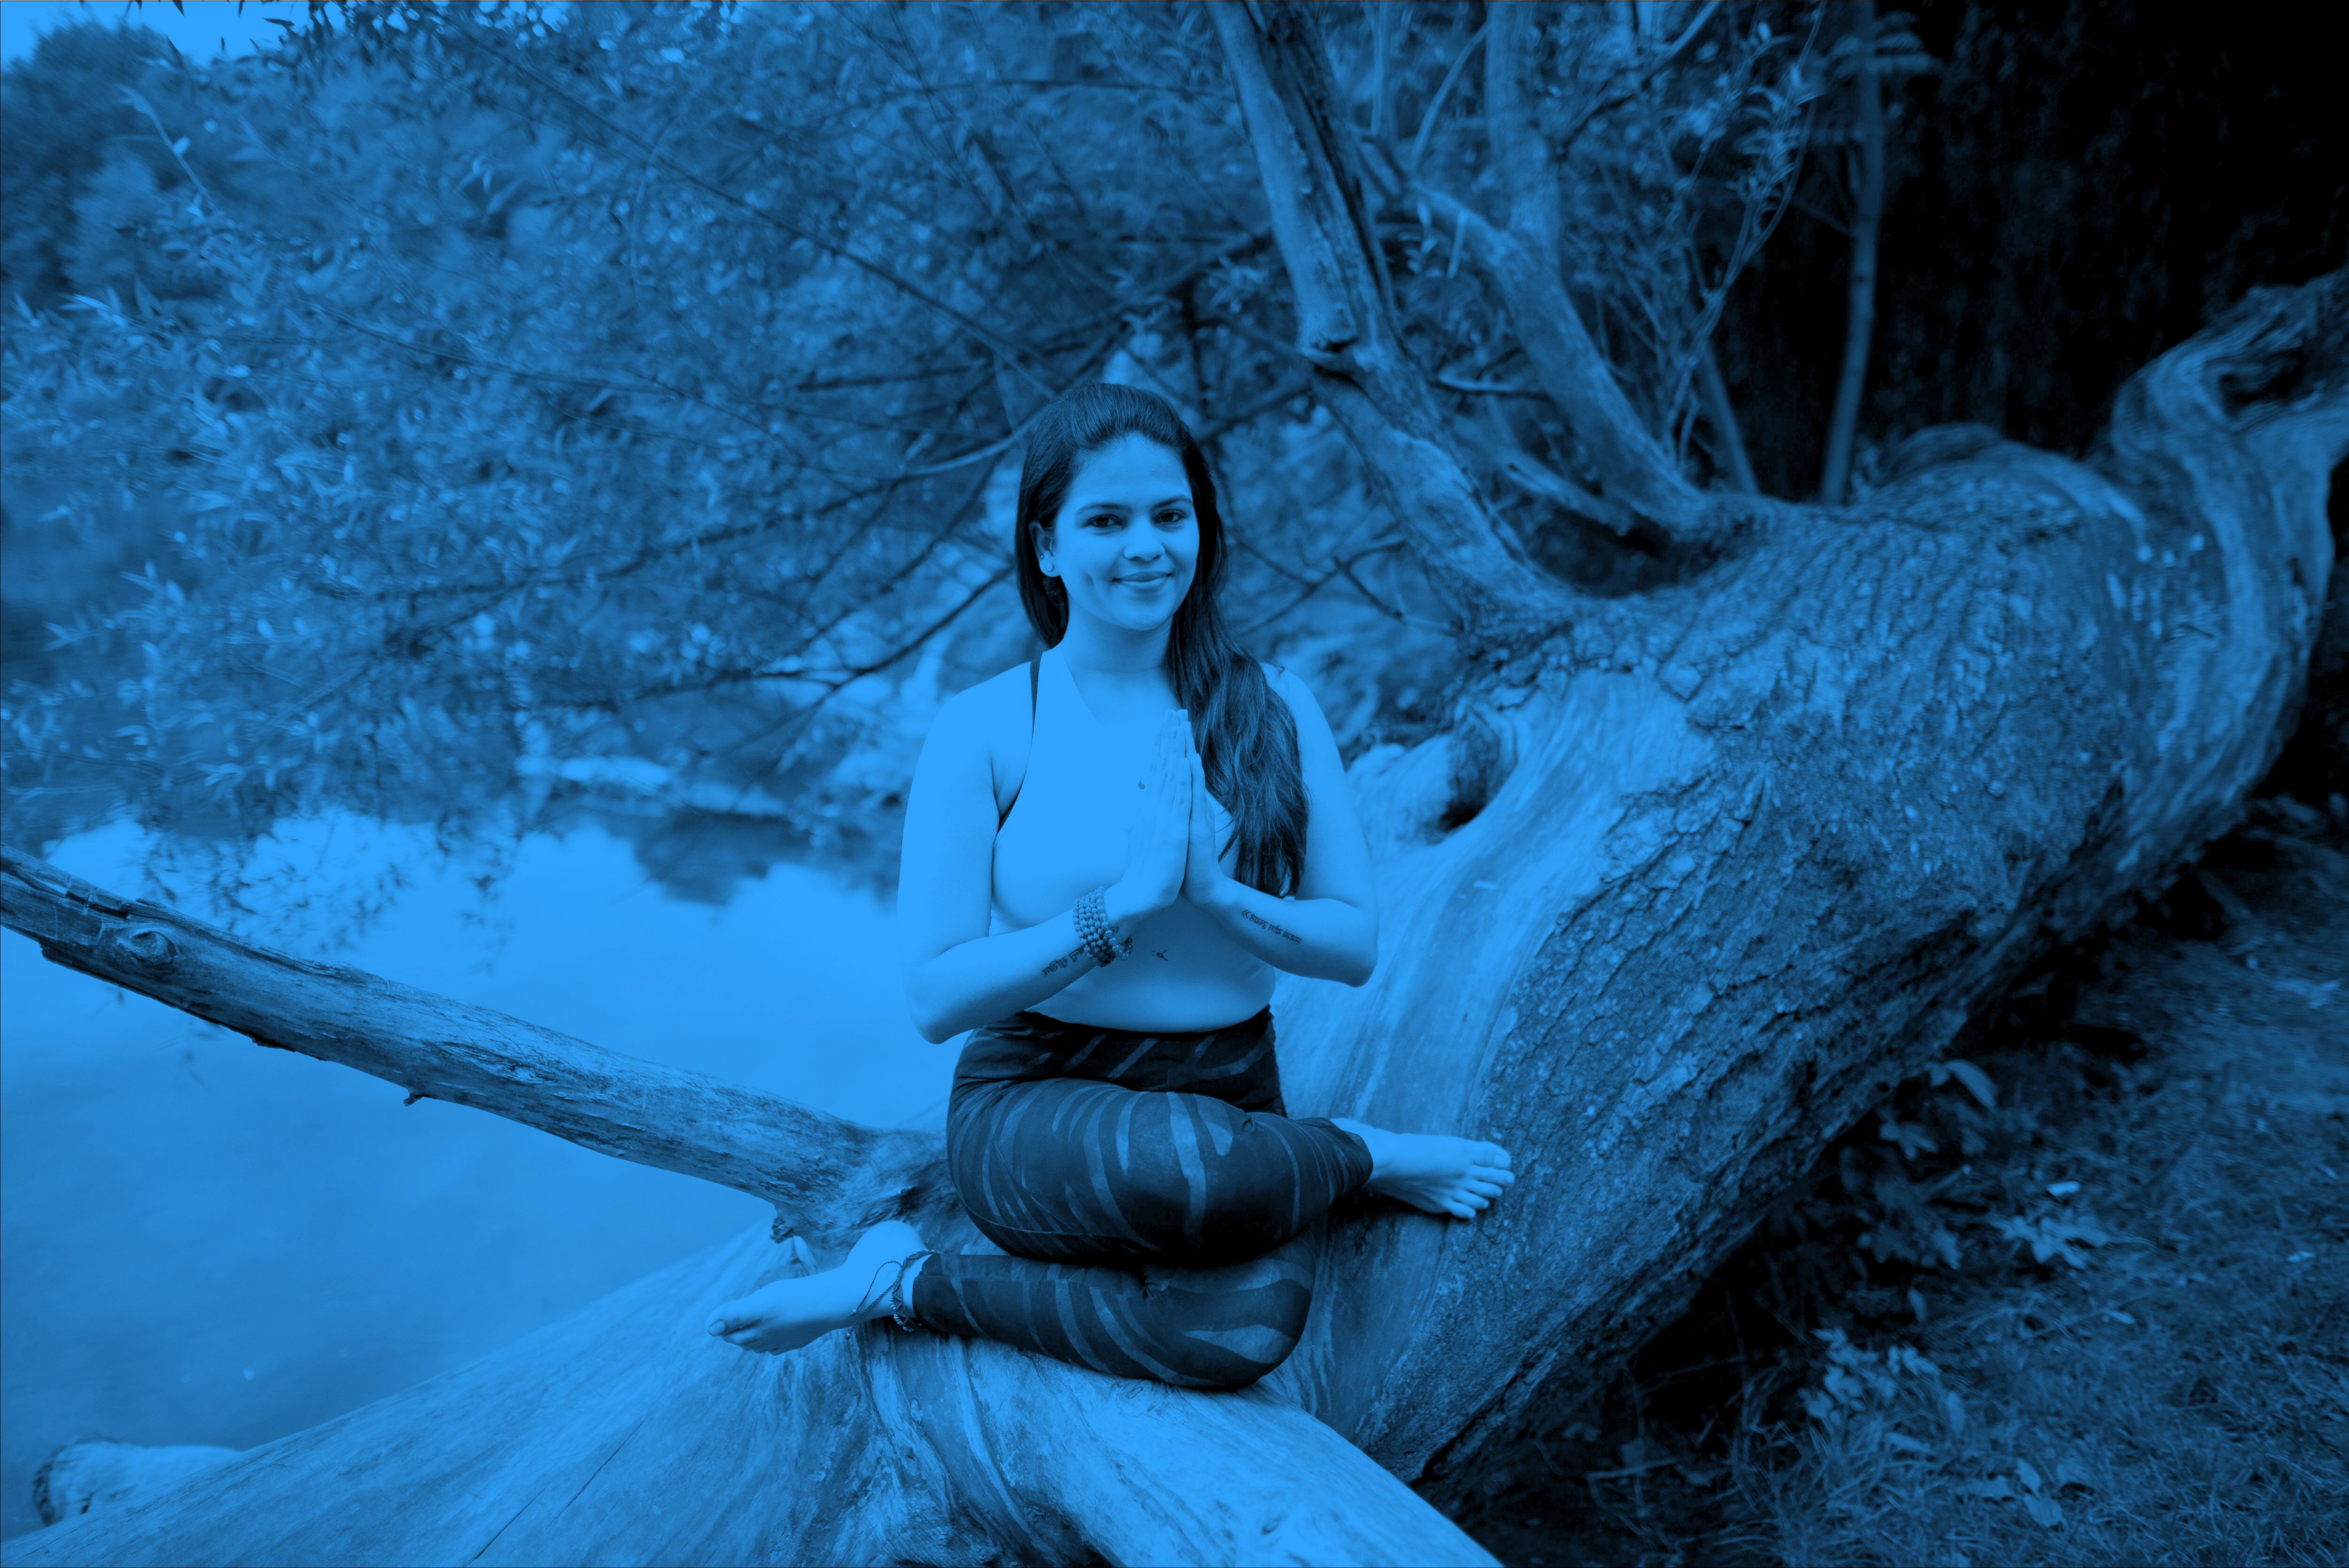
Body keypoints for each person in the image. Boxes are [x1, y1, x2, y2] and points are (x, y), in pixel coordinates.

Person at [707, 383, 1513, 1389]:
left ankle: (903, 1281)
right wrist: (1122, 904)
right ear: (1046, 547)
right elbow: (935, 997)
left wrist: (1213, 892)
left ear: (1202, 530)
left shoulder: (1276, 705)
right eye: (1105, 521)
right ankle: (1360, 1154)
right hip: (1037, 1086)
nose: (1145, 547)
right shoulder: (989, 725)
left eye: (1170, 516)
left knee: (1236, 1335)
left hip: (1226, 1082)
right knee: (1207, 1177)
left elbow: (1350, 945)